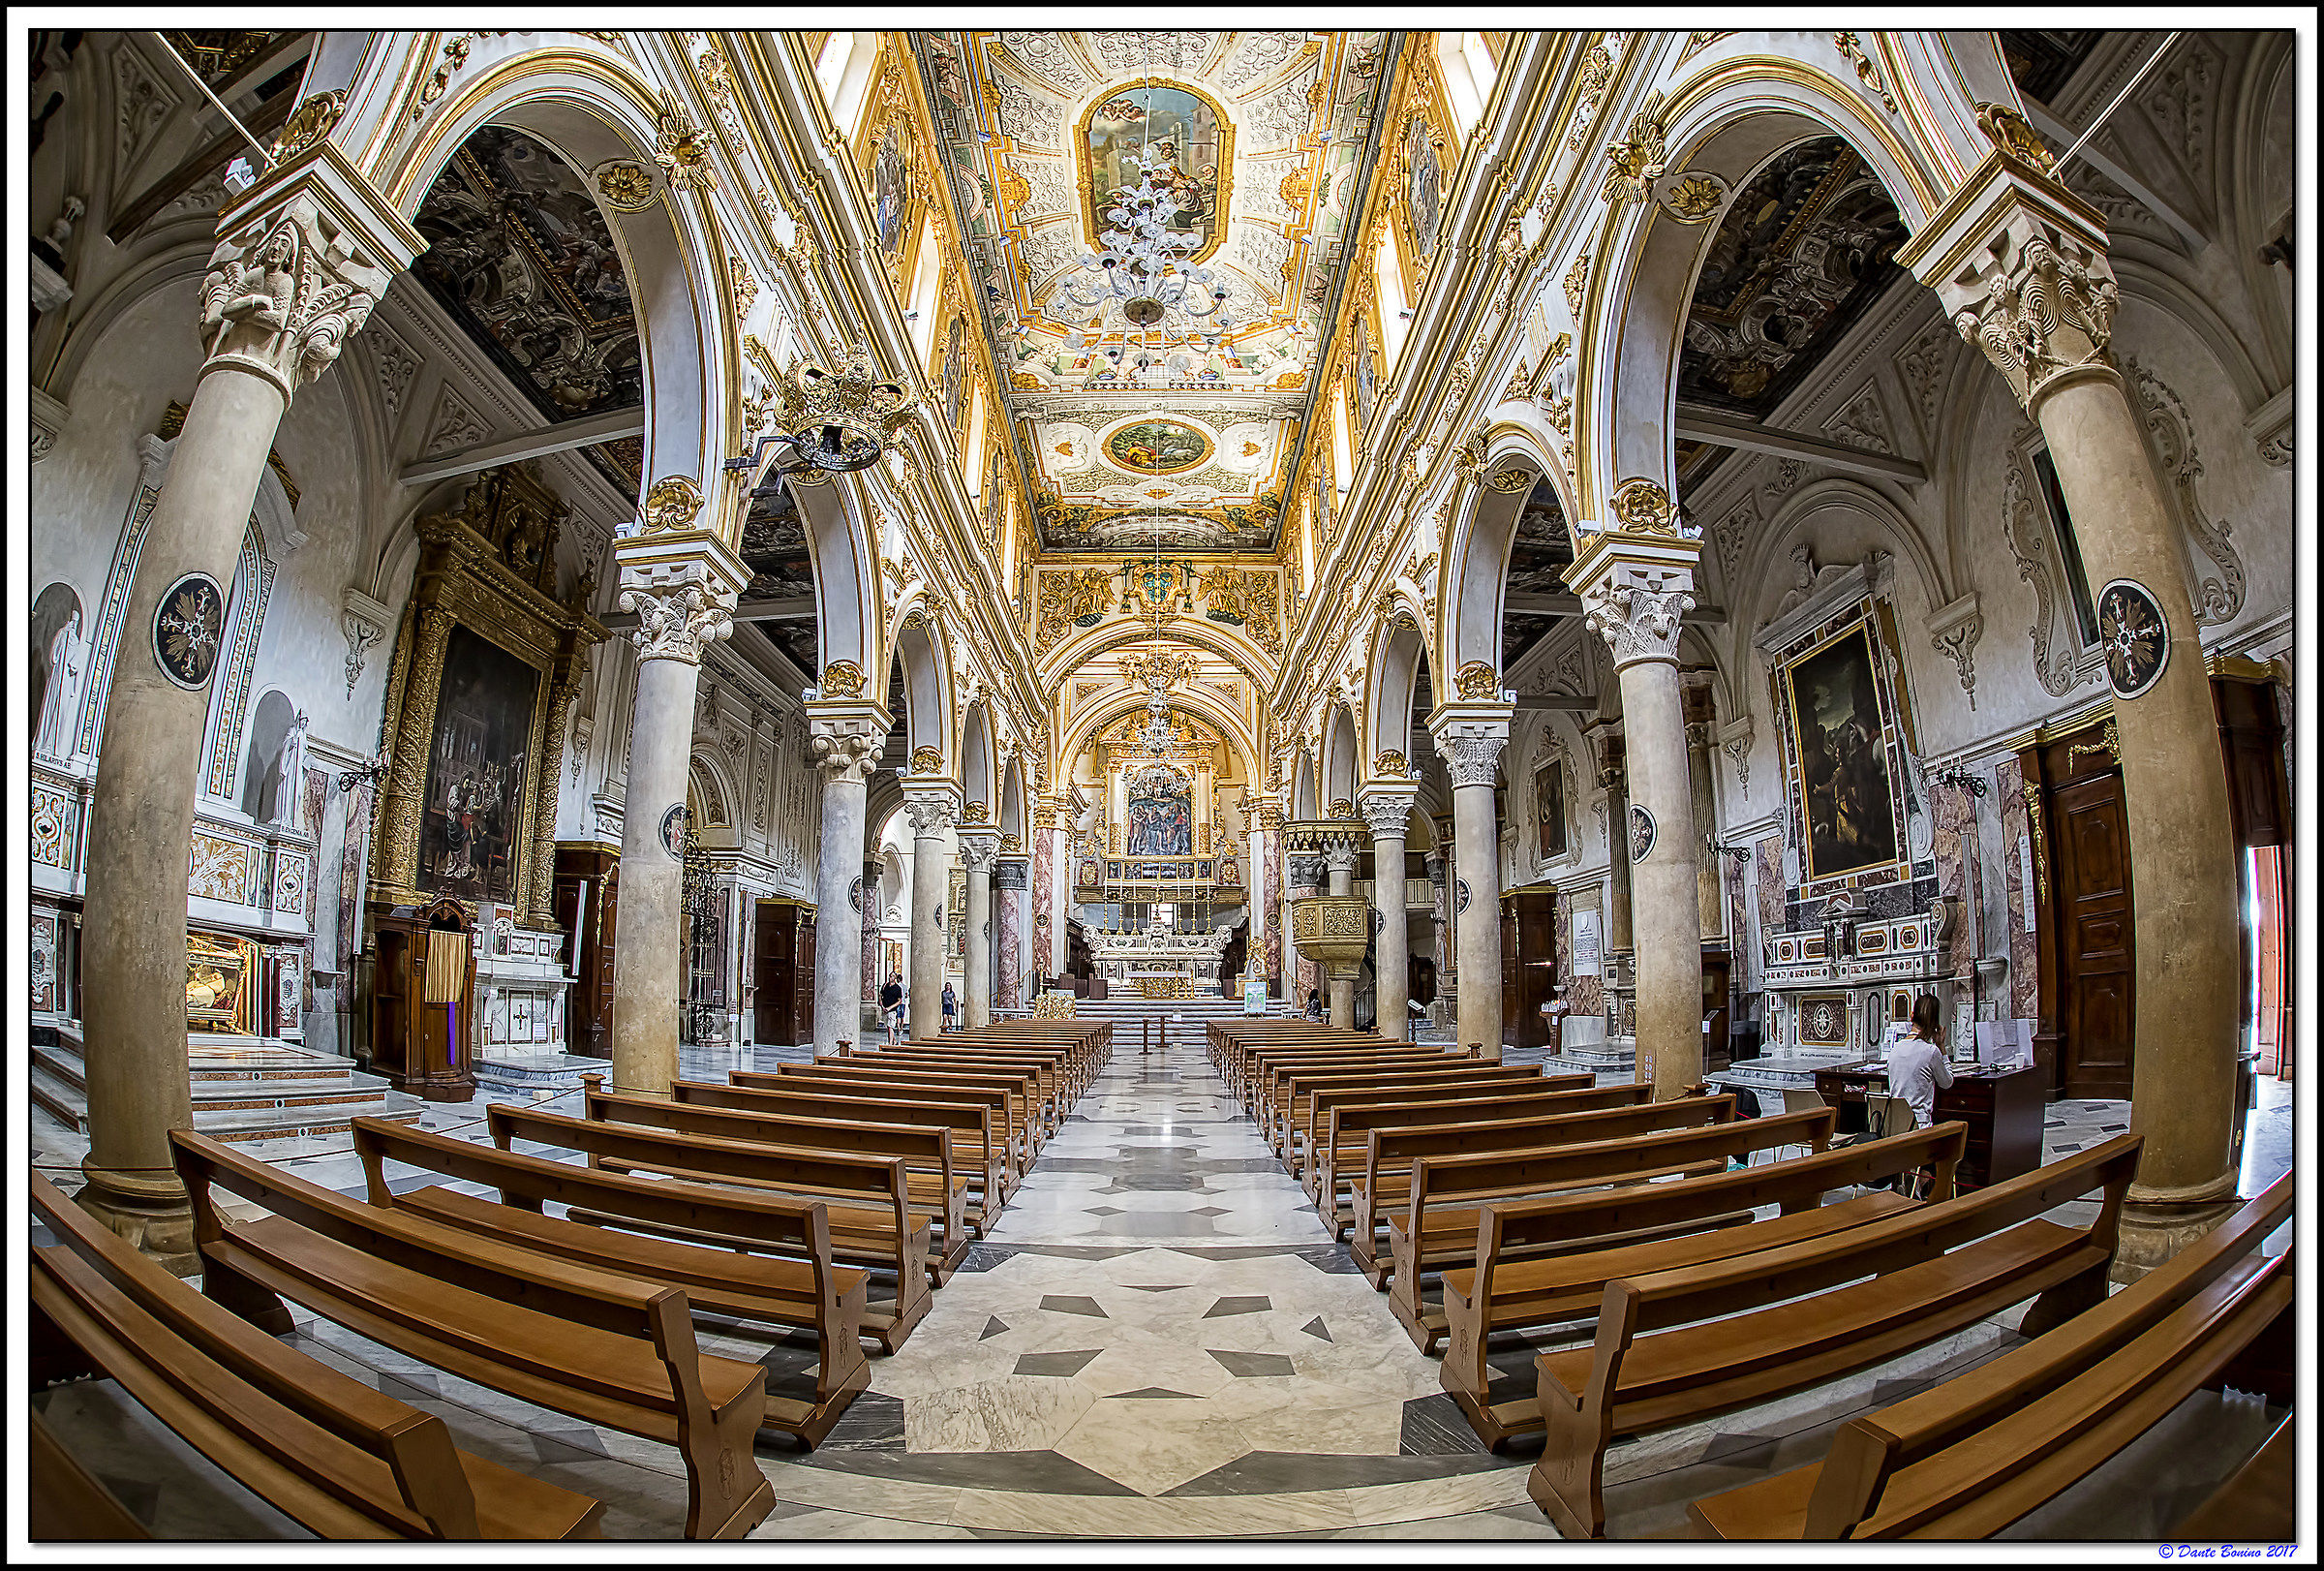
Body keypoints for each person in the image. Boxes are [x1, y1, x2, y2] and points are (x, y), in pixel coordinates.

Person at [1886, 992, 1954, 1197]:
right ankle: (1921, 1185)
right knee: (1953, 1137)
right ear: (1935, 1024)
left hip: (1894, 1128)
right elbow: (1947, 1082)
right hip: (1919, 1129)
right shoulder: (1930, 1051)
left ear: (1912, 1016)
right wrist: (1942, 1046)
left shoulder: (1895, 1049)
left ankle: (1911, 1181)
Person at [879, 972, 903, 1045]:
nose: (890, 977)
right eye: (890, 976)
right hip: (885, 1009)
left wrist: (890, 1008)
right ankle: (894, 1040)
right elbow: (881, 996)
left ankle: (890, 1044)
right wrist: (882, 1006)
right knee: (888, 1027)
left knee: (890, 1027)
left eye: (892, 976)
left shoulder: (898, 988)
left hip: (892, 1010)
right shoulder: (885, 986)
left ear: (895, 978)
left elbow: (899, 1001)